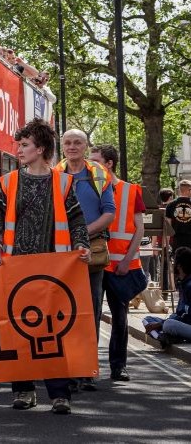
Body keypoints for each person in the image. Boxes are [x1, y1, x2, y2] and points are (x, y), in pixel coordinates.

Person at [0, 118, 90, 415]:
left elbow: (76, 219)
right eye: (20, 145)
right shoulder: (10, 181)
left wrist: (81, 245)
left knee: (51, 332)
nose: (19, 150)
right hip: (15, 266)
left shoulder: (62, 181)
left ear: (40, 149)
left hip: (53, 268)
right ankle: (23, 390)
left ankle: (59, 394)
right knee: (18, 329)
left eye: (25, 145)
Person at [56, 129, 115, 391]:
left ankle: (87, 369)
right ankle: (66, 367)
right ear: (62, 147)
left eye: (77, 142)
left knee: (90, 310)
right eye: (67, 143)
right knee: (62, 311)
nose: (72, 147)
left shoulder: (99, 175)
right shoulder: (54, 173)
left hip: (90, 252)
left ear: (86, 145)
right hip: (60, 253)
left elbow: (109, 213)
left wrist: (81, 233)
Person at [88, 144, 145, 382]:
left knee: (120, 317)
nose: (90, 165)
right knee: (90, 316)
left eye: (95, 160)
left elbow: (139, 229)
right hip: (95, 262)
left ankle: (118, 366)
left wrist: (127, 260)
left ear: (109, 164)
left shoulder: (131, 191)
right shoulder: (89, 188)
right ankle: (87, 370)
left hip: (121, 265)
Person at [144, 247, 191, 346]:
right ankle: (168, 337)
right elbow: (179, 313)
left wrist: (161, 324)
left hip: (188, 324)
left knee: (168, 324)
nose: (172, 264)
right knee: (147, 320)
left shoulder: (189, 285)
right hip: (182, 322)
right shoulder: (183, 283)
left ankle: (166, 336)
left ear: (179, 265)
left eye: (174, 261)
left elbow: (187, 316)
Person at [166, 180, 191, 251]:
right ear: (189, 190)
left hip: (176, 240)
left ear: (180, 190)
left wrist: (167, 243)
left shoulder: (170, 205)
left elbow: (168, 226)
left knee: (178, 260)